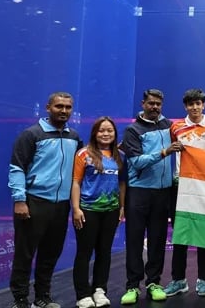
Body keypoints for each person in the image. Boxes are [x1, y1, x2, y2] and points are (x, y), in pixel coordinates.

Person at [8, 92, 83, 308]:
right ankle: (20, 300)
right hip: (34, 202)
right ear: (48, 107)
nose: (64, 111)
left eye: (68, 107)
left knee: (50, 254)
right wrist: (20, 200)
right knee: (25, 254)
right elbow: (17, 168)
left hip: (61, 206)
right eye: (59, 106)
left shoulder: (74, 137)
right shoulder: (31, 134)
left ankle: (42, 297)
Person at [120, 89, 184, 305]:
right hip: (139, 192)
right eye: (151, 103)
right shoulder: (132, 130)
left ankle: (154, 282)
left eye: (158, 104)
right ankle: (132, 285)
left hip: (163, 192)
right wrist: (163, 153)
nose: (155, 107)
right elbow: (136, 162)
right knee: (135, 240)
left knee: (157, 240)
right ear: (143, 103)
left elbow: (191, 133)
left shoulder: (168, 126)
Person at [163, 89, 205, 298]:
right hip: (180, 185)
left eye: (198, 104)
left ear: (203, 105)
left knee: (204, 235)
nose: (195, 108)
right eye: (190, 104)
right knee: (180, 234)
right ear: (185, 106)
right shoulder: (176, 127)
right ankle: (179, 280)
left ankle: (203, 280)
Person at [71, 117, 127, 308]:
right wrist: (76, 208)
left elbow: (122, 183)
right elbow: (76, 182)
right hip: (88, 210)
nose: (106, 134)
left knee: (104, 252)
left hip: (110, 212)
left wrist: (121, 207)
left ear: (114, 133)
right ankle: (83, 294)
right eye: (102, 130)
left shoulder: (120, 155)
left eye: (109, 131)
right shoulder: (83, 154)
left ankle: (99, 290)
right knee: (84, 252)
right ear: (95, 133)